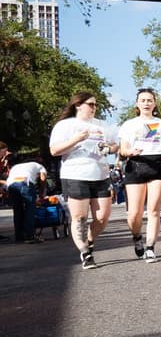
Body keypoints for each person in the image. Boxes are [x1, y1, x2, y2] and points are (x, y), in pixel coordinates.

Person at [48, 91, 119, 269]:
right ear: (78, 105)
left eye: (96, 105)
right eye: (90, 104)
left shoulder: (102, 125)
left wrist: (108, 149)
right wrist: (76, 140)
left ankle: (89, 240)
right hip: (75, 174)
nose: (94, 108)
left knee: (102, 217)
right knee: (79, 217)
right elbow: (54, 151)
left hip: (100, 174)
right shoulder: (65, 125)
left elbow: (115, 145)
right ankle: (85, 252)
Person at [118, 87, 161, 263]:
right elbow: (123, 149)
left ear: (155, 103)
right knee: (134, 214)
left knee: (153, 210)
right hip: (135, 164)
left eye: (150, 100)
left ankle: (150, 248)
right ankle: (137, 237)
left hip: (158, 165)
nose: (146, 103)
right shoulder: (129, 124)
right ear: (137, 104)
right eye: (143, 100)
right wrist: (130, 152)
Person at [6, 154, 48, 243]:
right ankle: (30, 236)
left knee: (17, 210)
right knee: (30, 209)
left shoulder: (16, 166)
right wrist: (41, 194)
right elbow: (43, 179)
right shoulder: (40, 166)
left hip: (11, 185)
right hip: (25, 183)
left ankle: (19, 236)